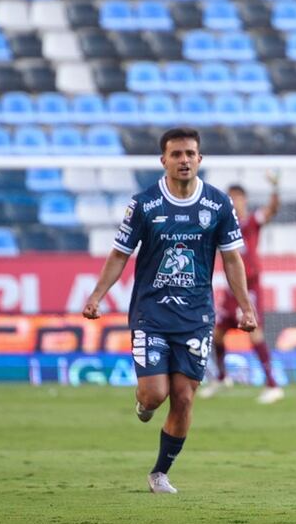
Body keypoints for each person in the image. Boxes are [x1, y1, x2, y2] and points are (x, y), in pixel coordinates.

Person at [82, 127, 256, 494]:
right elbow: (119, 255)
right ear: (163, 160)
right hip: (152, 314)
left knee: (185, 396)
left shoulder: (218, 204)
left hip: (196, 317)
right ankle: (143, 404)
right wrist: (97, 295)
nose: (184, 160)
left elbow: (232, 260)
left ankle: (160, 472)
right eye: (176, 154)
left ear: (200, 159)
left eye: (190, 154)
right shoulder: (144, 204)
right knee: (154, 395)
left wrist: (245, 307)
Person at [200, 171, 284, 404]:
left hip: (250, 286)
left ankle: (272, 384)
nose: (234, 201)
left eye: (237, 197)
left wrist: (275, 189)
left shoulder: (251, 221)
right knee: (217, 333)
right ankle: (221, 377)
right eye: (230, 197)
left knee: (253, 331)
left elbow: (271, 210)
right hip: (231, 286)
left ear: (244, 200)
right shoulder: (223, 225)